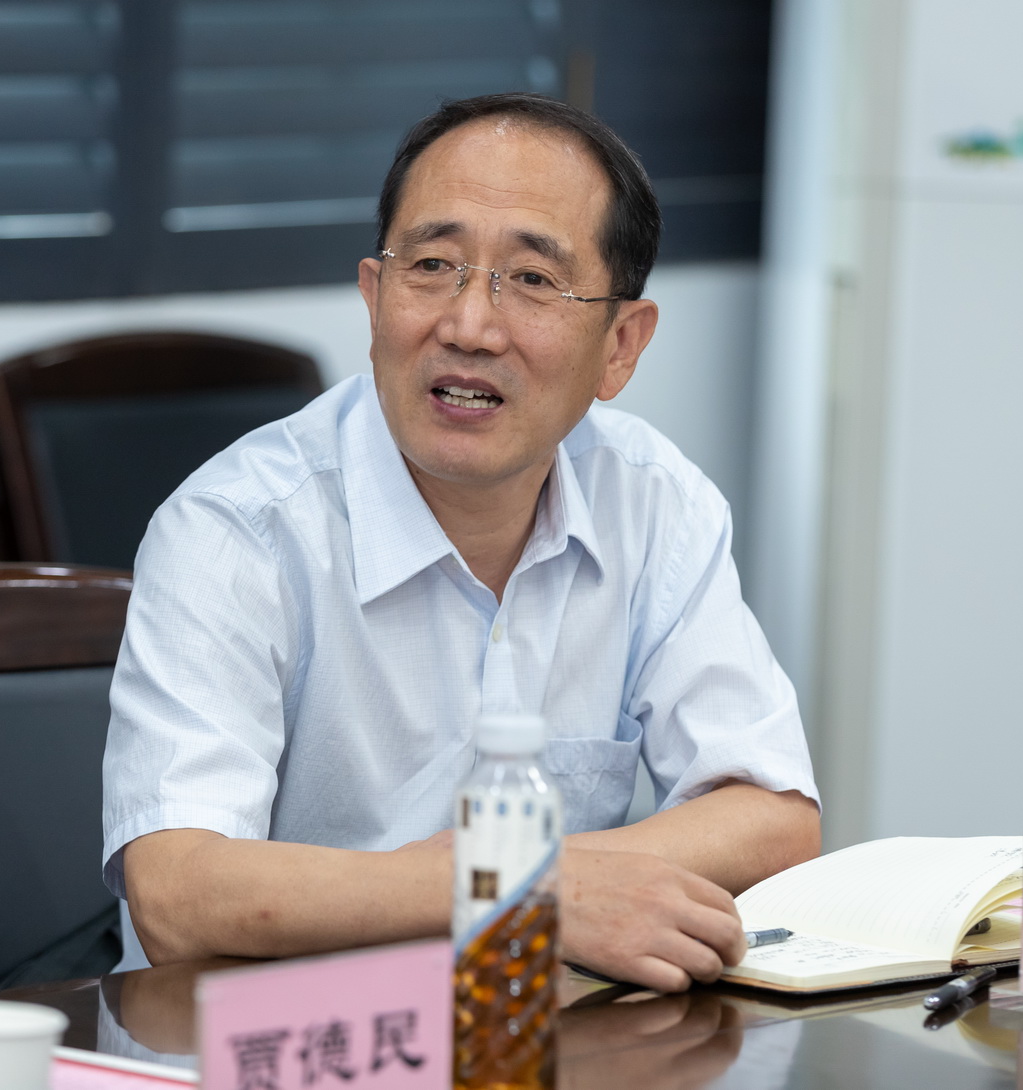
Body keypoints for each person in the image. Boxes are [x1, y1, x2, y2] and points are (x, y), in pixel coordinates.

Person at [102, 92, 819, 992]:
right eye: (433, 265)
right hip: (283, 1039)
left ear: (620, 346)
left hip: (534, 1034)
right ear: (374, 297)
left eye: (533, 280)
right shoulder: (235, 530)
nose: (469, 326)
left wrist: (537, 884)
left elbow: (771, 814)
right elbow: (174, 892)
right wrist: (518, 886)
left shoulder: (653, 502)